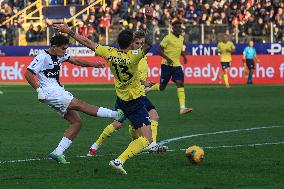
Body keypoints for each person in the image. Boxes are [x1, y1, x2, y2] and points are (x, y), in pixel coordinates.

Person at [54, 5, 155, 174]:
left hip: (121, 98)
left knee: (127, 126)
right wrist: (149, 21)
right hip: (135, 100)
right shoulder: (133, 57)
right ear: (131, 44)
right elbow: (150, 43)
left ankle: (99, 146)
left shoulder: (109, 52)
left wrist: (68, 31)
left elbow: (87, 42)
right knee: (147, 139)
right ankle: (119, 160)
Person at [24, 34, 125, 164]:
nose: (65, 51)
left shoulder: (60, 55)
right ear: (54, 47)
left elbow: (76, 61)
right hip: (51, 92)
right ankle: (116, 114)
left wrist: (94, 65)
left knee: (76, 122)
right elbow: (28, 74)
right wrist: (39, 90)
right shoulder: (43, 57)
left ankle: (58, 152)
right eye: (63, 48)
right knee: (79, 104)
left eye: (66, 48)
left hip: (56, 91)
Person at [86, 30, 167, 158]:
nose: (140, 45)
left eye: (141, 43)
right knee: (118, 123)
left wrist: (150, 85)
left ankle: (152, 144)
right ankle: (96, 145)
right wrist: (143, 82)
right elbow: (129, 75)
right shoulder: (133, 57)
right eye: (137, 43)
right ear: (131, 43)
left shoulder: (141, 57)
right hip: (130, 97)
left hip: (139, 95)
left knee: (154, 116)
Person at [145, 20, 192, 115]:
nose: (179, 29)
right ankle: (148, 89)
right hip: (166, 65)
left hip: (177, 65)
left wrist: (184, 56)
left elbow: (179, 49)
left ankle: (182, 108)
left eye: (180, 27)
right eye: (177, 27)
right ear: (173, 28)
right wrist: (168, 59)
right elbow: (159, 50)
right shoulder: (167, 38)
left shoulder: (181, 38)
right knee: (162, 87)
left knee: (180, 83)